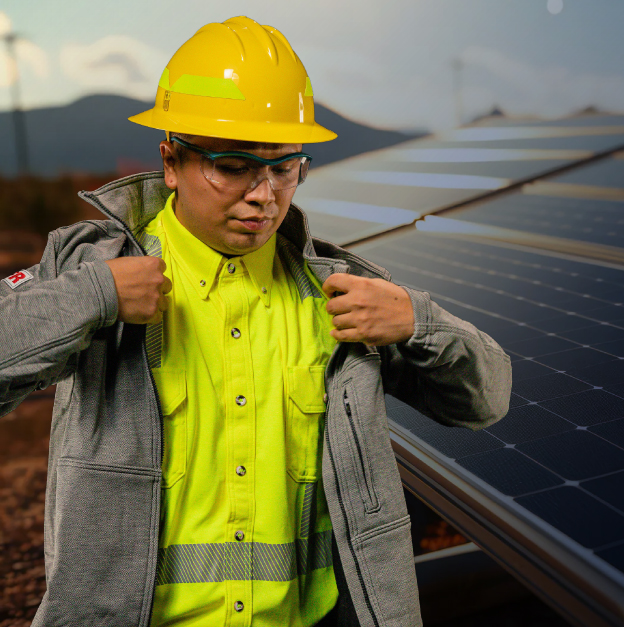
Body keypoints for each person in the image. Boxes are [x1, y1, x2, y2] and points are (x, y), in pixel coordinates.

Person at [0, 16, 511, 627]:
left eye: (283, 168)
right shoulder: (93, 269)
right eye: (233, 166)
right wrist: (94, 297)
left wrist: (418, 322)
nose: (263, 195)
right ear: (171, 163)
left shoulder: (340, 294)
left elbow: (488, 398)